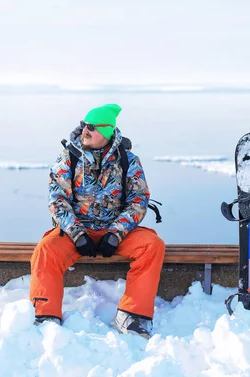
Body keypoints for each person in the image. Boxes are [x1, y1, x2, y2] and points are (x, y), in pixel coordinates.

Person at [29, 104, 165, 338]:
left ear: (108, 131)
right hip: (76, 231)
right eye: (84, 125)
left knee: (152, 246)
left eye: (91, 127)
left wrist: (115, 234)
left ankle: (132, 316)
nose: (85, 130)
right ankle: (46, 315)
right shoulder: (68, 157)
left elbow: (138, 200)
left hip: (115, 230)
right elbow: (57, 200)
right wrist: (78, 235)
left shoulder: (128, 160)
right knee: (46, 249)